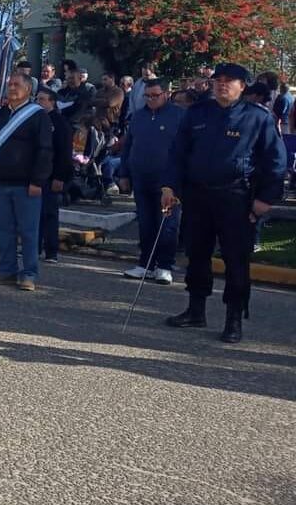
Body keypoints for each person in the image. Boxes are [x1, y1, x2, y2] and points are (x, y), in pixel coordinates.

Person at [161, 63, 287, 343]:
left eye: (230, 81)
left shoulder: (257, 118)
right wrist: (169, 186)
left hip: (236, 198)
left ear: (242, 86)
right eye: (218, 80)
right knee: (196, 254)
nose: (222, 85)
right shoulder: (197, 113)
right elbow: (178, 153)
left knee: (235, 260)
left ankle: (233, 320)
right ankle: (196, 310)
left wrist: (265, 199)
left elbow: (275, 162)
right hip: (198, 196)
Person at [0, 71, 52, 291]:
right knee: (4, 230)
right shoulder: (0, 114)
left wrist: (38, 180)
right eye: (9, 84)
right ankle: (7, 271)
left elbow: (45, 150)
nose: (11, 88)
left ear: (28, 89)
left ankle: (29, 273)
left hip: (26, 184)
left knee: (28, 231)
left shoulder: (37, 115)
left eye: (16, 84)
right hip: (0, 181)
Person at [117, 79, 183, 284]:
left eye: (155, 95)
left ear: (166, 93)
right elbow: (128, 146)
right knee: (146, 223)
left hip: (168, 182)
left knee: (167, 224)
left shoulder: (179, 116)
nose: (151, 100)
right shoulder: (139, 116)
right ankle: (145, 263)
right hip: (141, 178)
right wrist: (124, 173)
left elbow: (184, 150)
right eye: (147, 96)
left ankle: (164, 265)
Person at [36, 87, 73, 264]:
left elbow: (64, 152)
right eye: (38, 99)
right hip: (36, 174)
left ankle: (51, 251)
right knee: (34, 213)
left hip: (52, 175)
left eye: (43, 99)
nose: (39, 102)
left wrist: (60, 177)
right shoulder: (35, 120)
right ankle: (33, 247)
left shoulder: (59, 123)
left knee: (49, 213)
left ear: (52, 102)